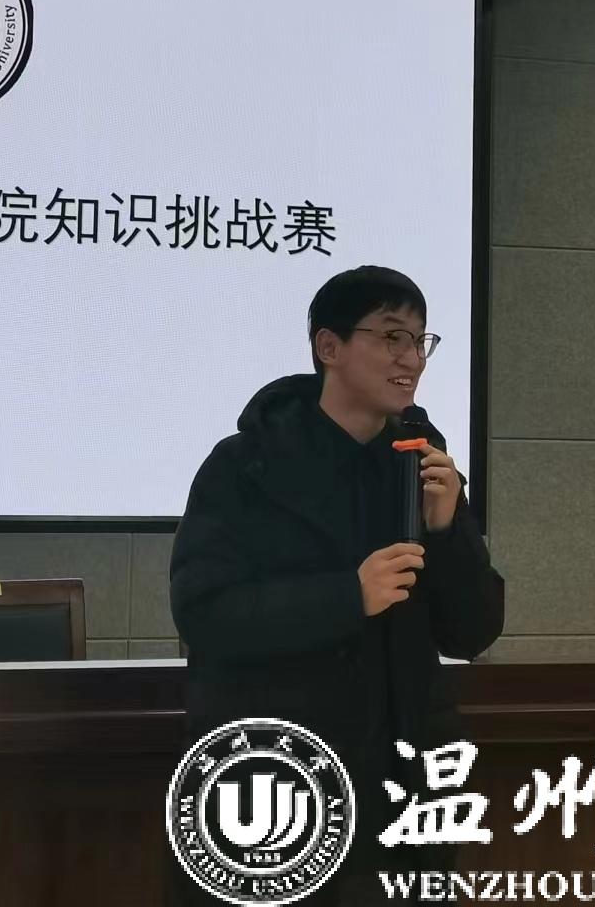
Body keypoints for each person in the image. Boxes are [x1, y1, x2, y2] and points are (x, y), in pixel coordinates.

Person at [167, 265, 504, 904]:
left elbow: (473, 631)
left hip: (405, 788)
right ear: (330, 346)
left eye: (421, 342)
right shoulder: (245, 465)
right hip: (277, 781)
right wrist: (348, 596)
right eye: (392, 337)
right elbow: (204, 611)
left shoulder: (421, 466)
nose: (411, 359)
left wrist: (447, 531)